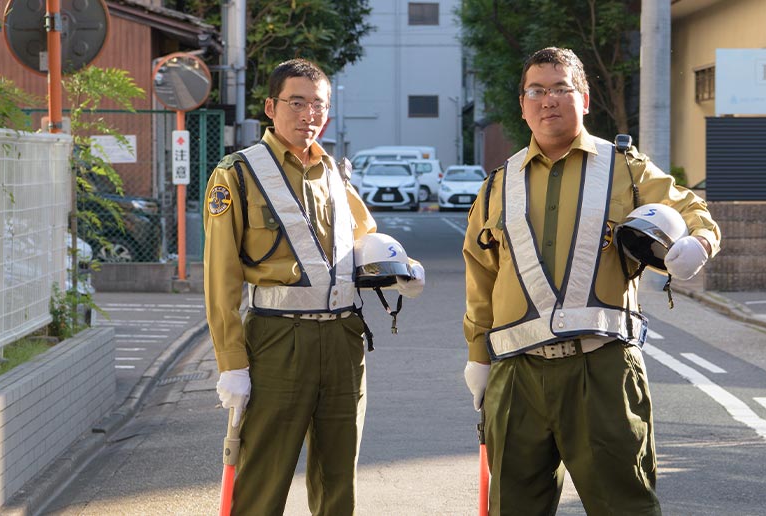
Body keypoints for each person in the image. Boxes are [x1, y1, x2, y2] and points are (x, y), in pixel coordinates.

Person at [462, 47, 721, 515]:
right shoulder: (498, 182)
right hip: (516, 376)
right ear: (522, 105)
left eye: (561, 88)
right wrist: (479, 358)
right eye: (536, 91)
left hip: (602, 370)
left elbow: (691, 209)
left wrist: (698, 243)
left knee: (625, 507)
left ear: (583, 99)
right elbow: (481, 275)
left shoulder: (625, 167)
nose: (548, 100)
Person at [204, 58, 424, 515]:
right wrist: (231, 364)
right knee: (264, 478)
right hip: (277, 339)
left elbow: (364, 240)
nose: (309, 114)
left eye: (319, 105)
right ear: (271, 107)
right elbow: (220, 277)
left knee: (338, 479)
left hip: (344, 337)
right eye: (297, 102)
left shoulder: (333, 174)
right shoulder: (238, 174)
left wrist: (400, 267)